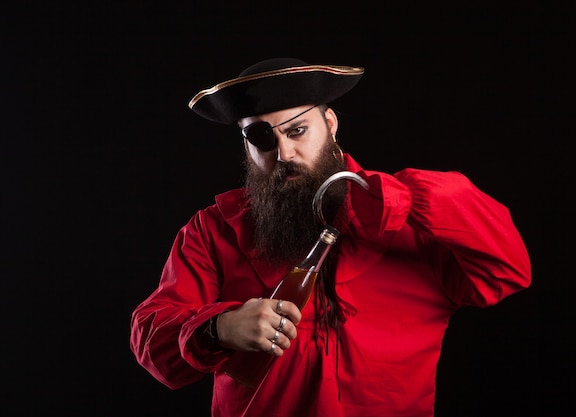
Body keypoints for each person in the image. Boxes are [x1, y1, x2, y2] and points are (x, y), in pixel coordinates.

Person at [130, 57, 532, 417]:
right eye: (261, 138)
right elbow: (153, 339)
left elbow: (507, 271)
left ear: (331, 124)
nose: (284, 153)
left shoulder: (413, 219)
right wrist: (218, 328)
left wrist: (404, 196)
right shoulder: (214, 229)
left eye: (298, 130)